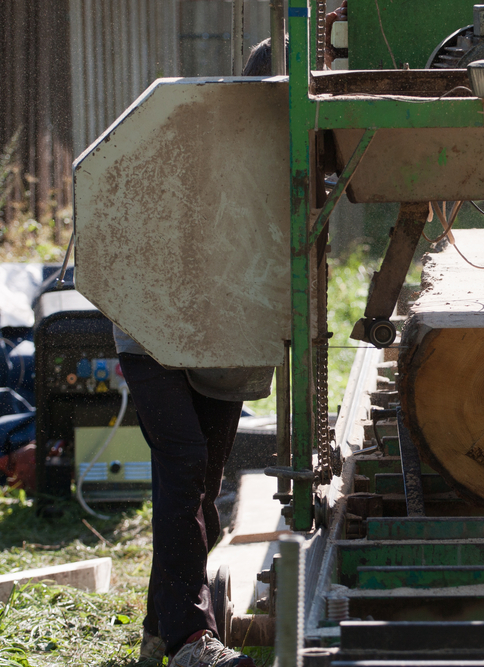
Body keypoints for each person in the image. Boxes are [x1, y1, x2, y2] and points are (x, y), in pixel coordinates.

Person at [116, 37, 286, 666]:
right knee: (184, 463)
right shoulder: (187, 137)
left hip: (220, 337)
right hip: (152, 330)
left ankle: (159, 630)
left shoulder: (284, 158)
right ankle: (192, 640)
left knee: (202, 496)